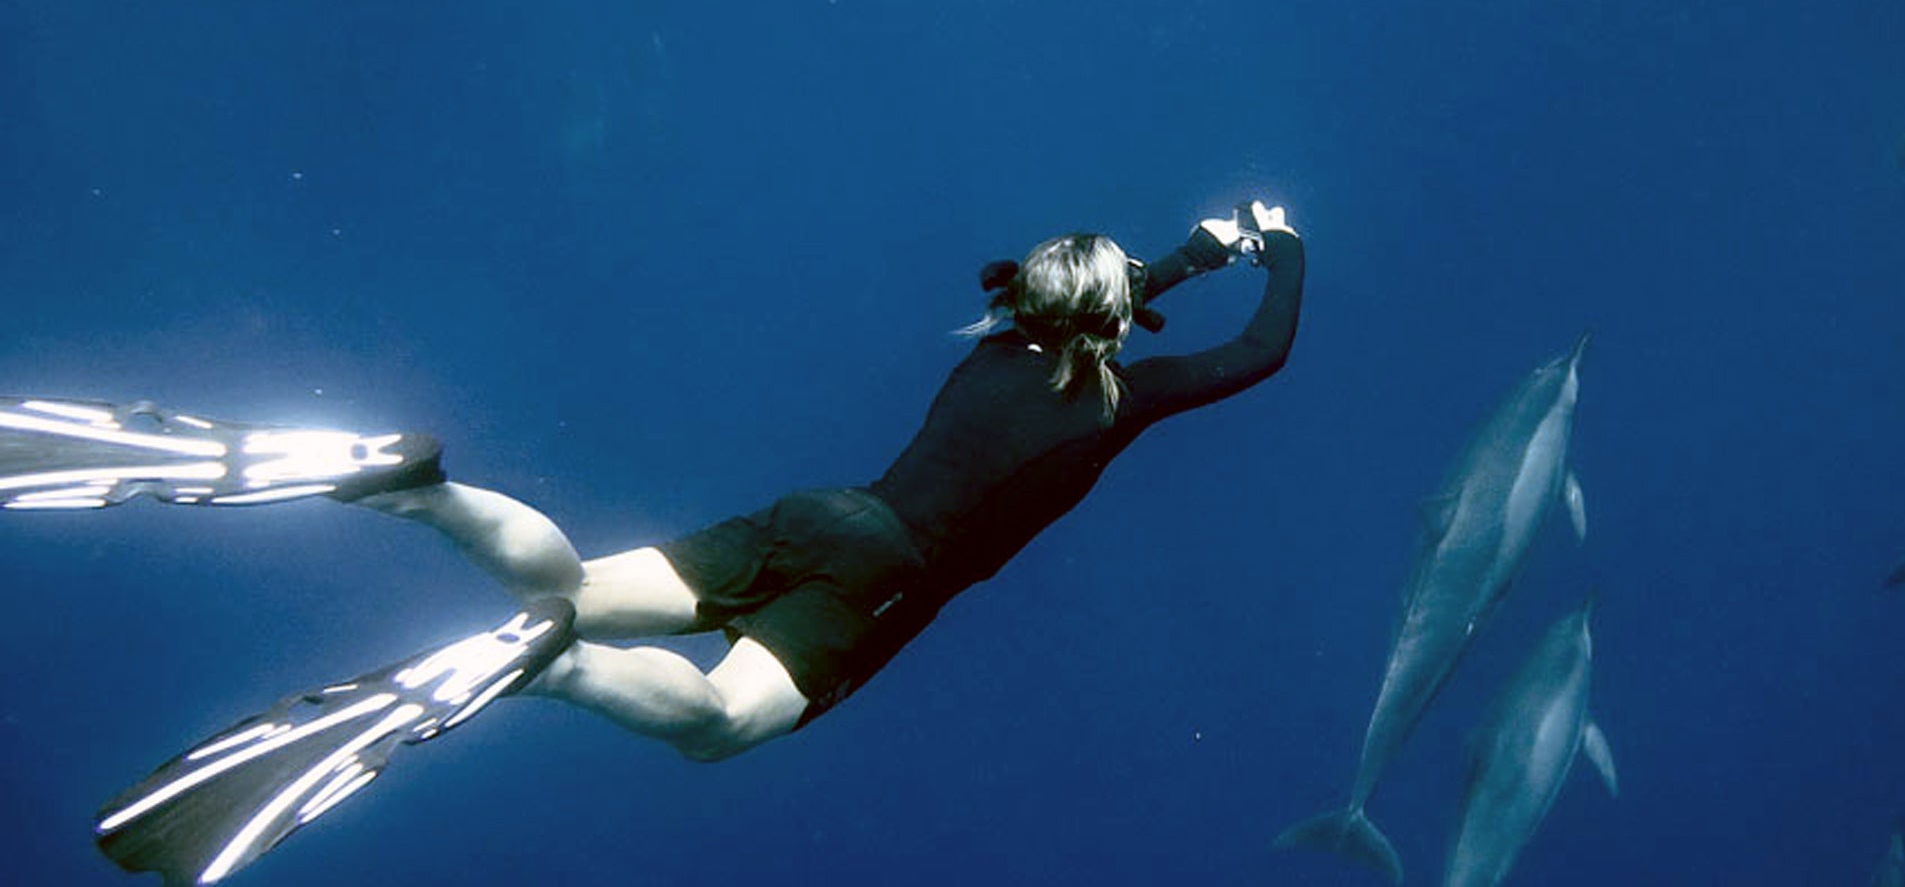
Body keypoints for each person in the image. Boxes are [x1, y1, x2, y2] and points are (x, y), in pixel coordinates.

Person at [71, 201, 1302, 885]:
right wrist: (1282, 249)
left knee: (574, 583)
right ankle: (544, 668)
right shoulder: (1119, 399)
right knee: (716, 727)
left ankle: (410, 487)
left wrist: (1198, 248)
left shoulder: (1000, 339)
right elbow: (1259, 354)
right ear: (1117, 321)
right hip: (883, 580)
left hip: (810, 512)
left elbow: (1095, 286)